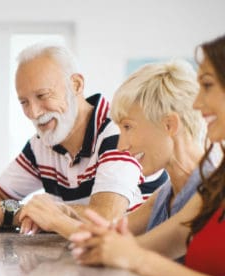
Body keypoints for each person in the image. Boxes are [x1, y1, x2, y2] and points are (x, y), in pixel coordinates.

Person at [0, 43, 166, 234]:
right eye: (24, 102)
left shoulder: (118, 132)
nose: (34, 112)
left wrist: (10, 213)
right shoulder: (43, 142)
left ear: (76, 84)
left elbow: (104, 219)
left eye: (43, 95)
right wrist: (6, 210)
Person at [70, 34, 225, 276]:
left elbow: (138, 254)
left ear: (169, 125)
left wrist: (133, 257)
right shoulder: (213, 184)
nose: (197, 102)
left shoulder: (206, 182)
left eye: (207, 86)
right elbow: (149, 245)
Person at [17, 59, 214, 238]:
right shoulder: (165, 195)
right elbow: (110, 238)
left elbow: (128, 252)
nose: (121, 146)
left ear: (169, 125)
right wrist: (64, 213)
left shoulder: (213, 191)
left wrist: (56, 220)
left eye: (128, 127)